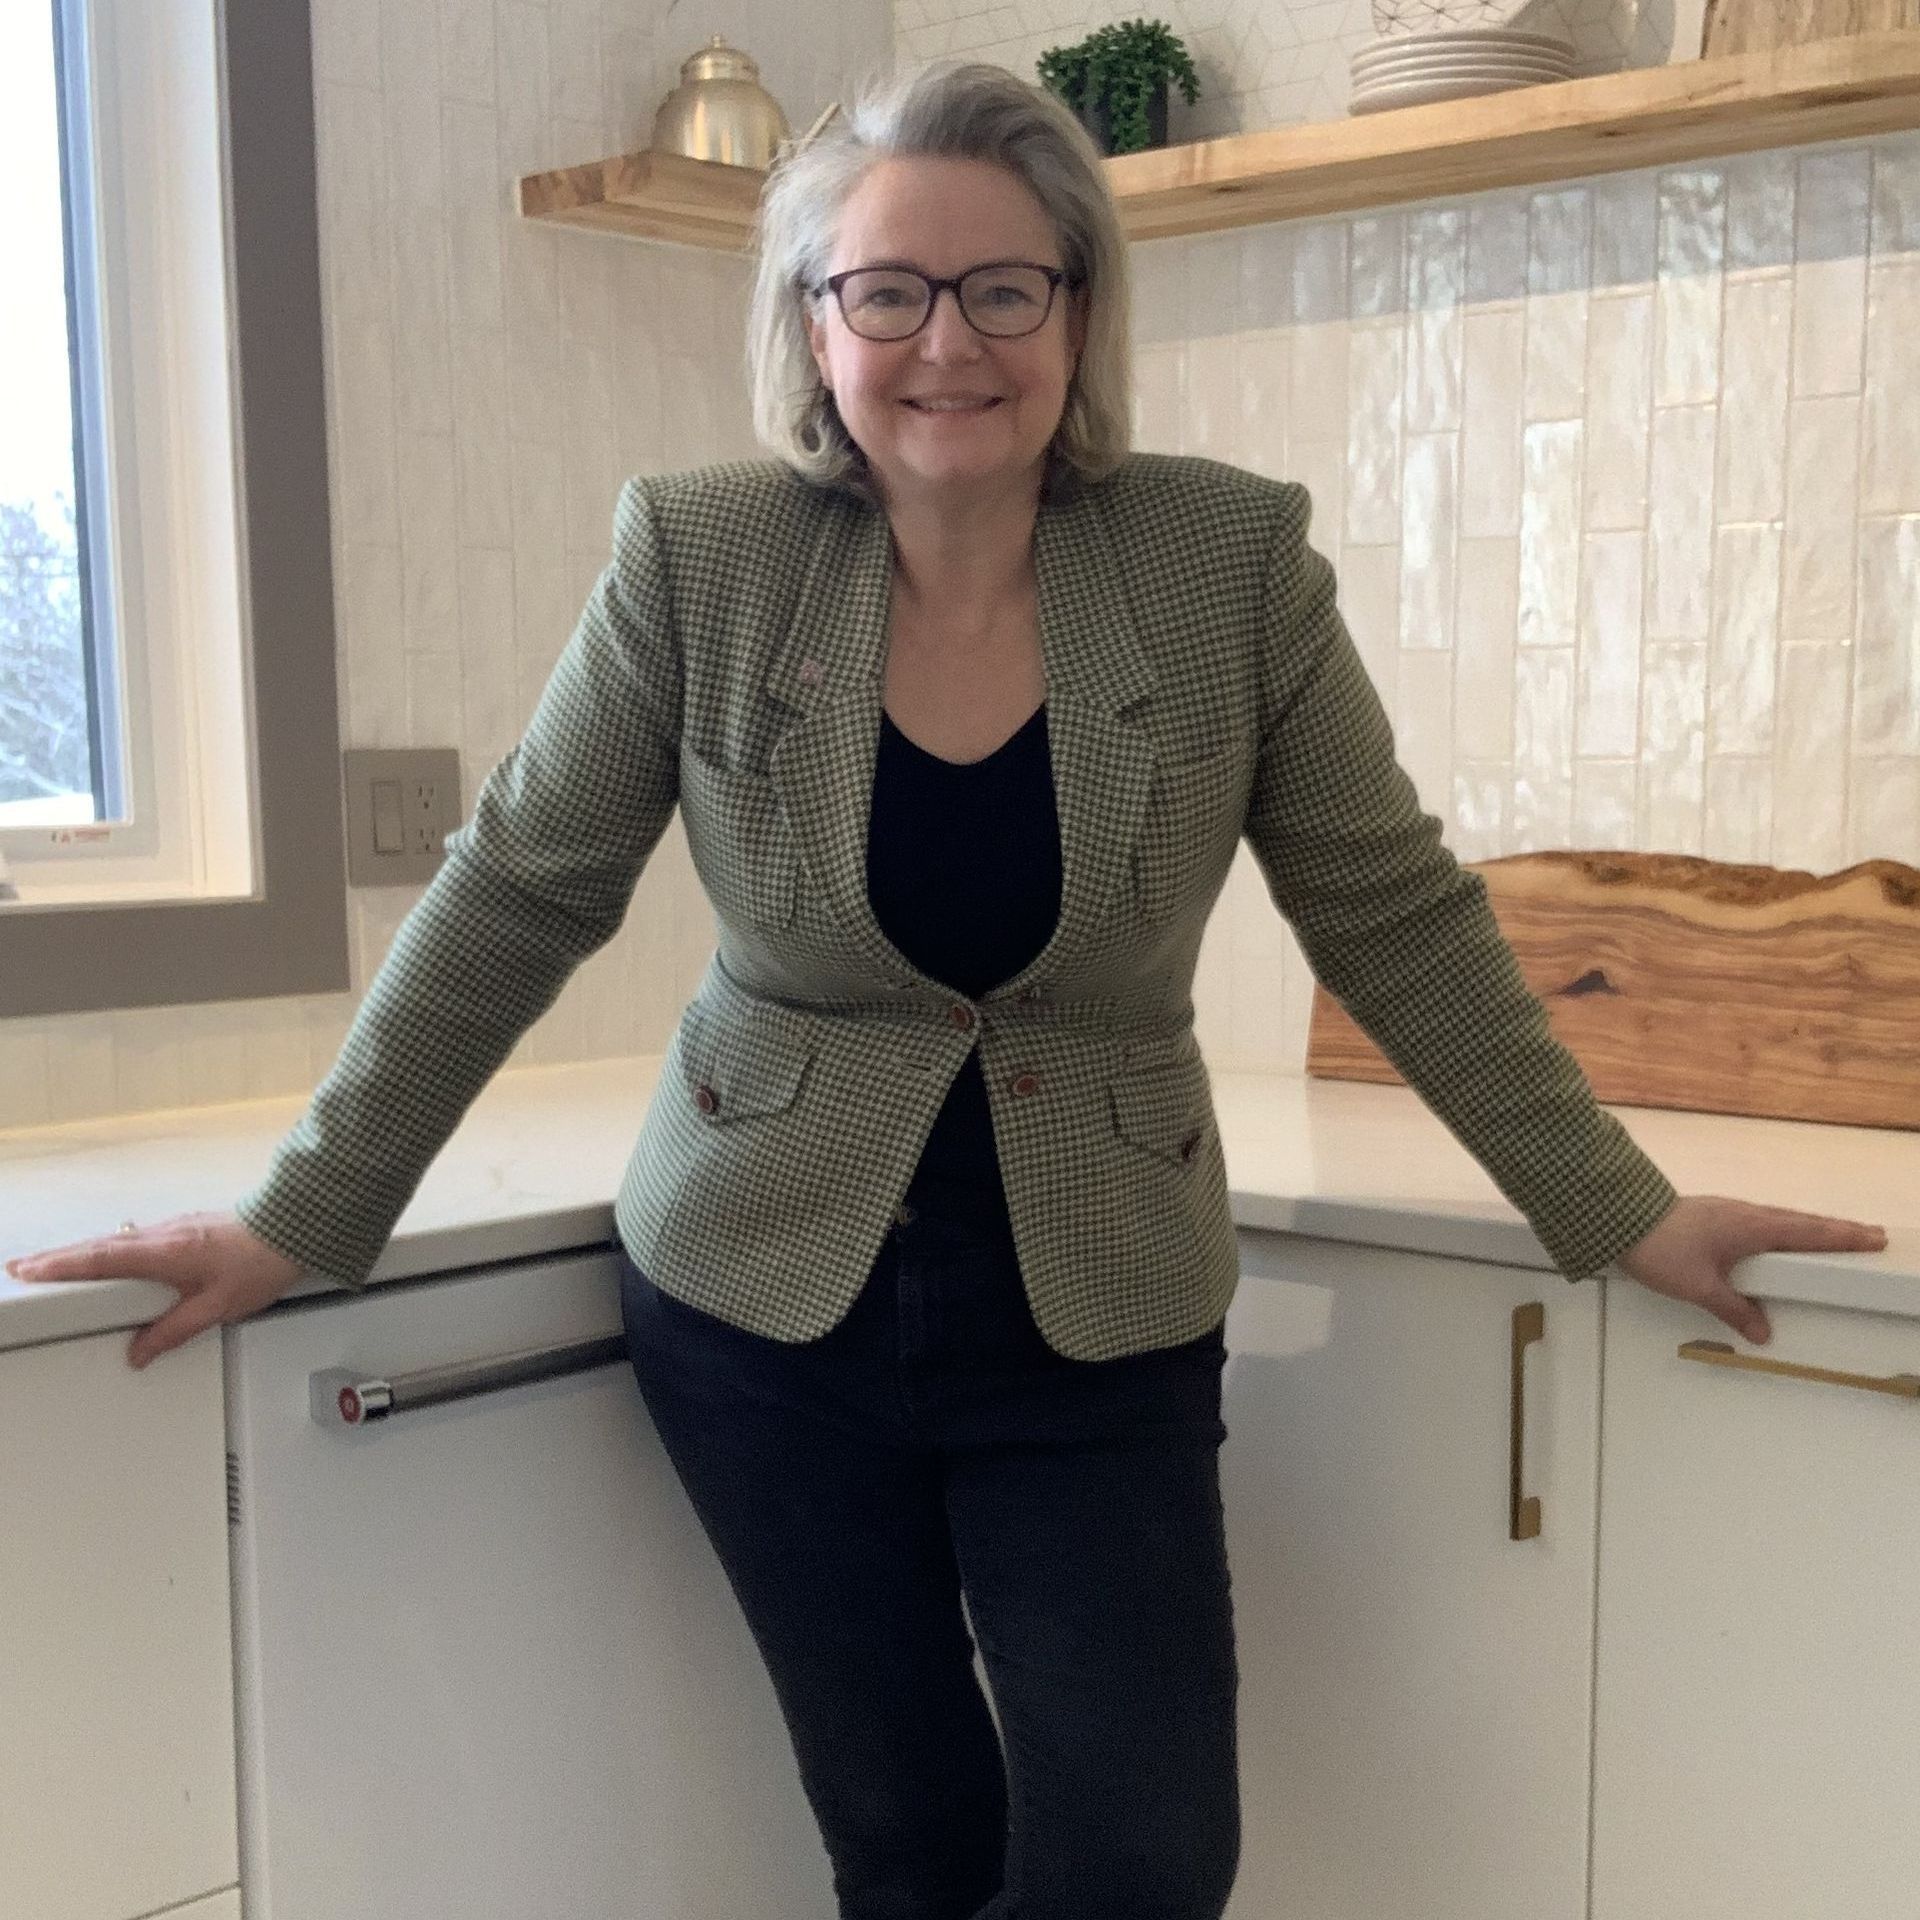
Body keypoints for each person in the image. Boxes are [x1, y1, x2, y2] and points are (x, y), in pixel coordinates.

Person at [7, 58, 1885, 1920]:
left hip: (1102, 1308)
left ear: (1077, 311)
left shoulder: (1224, 562)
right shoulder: (699, 555)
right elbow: (517, 892)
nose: (946, 343)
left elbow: (1389, 912)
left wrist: (1614, 1206)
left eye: (1006, 288)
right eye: (886, 291)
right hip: (758, 1303)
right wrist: (306, 1212)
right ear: (815, 326)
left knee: (1142, 1859)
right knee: (904, 1844)